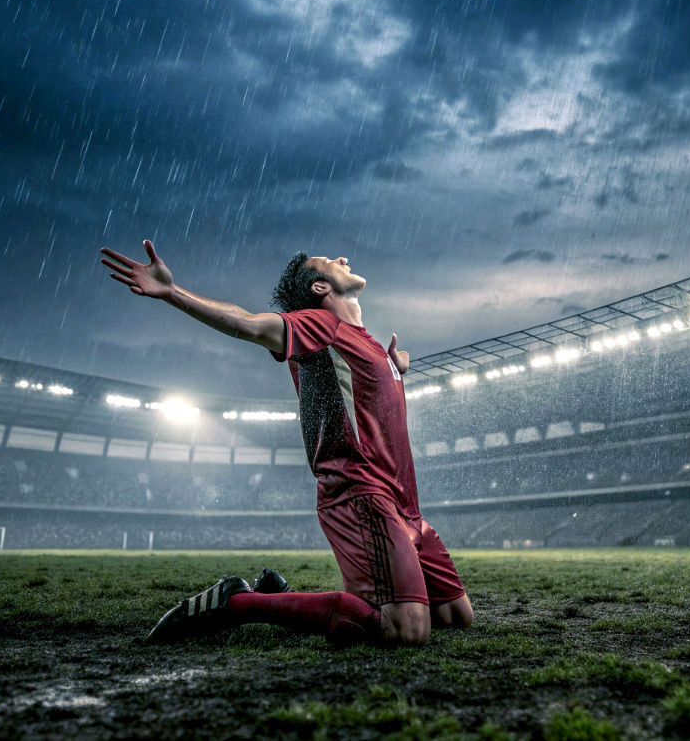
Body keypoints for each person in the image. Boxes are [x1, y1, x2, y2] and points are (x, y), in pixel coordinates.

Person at [100, 240, 473, 646]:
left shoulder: (364, 344)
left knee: (455, 616)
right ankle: (236, 602)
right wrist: (172, 292)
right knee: (405, 630)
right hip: (362, 495)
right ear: (319, 288)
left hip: (406, 505)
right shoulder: (319, 326)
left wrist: (393, 369)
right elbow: (247, 322)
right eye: (330, 261)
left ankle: (293, 598)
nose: (342, 258)